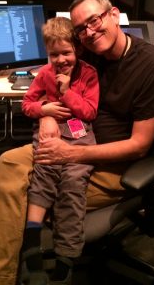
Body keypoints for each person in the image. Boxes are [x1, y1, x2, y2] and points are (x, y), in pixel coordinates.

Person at [0, 0, 154, 285]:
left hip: (113, 164)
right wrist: (46, 116)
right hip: (68, 138)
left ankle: (56, 264)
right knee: (7, 163)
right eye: (80, 28)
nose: (89, 33)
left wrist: (68, 155)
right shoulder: (87, 51)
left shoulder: (152, 67)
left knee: (26, 190)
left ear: (114, 15)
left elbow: (139, 145)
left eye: (93, 21)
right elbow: (51, 85)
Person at [21, 17, 99, 284]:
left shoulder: (88, 73)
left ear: (77, 50)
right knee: (43, 173)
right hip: (50, 132)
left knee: (73, 181)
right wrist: (44, 110)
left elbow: (89, 111)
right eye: (54, 54)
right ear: (47, 53)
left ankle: (66, 254)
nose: (61, 59)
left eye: (66, 52)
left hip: (80, 133)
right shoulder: (44, 74)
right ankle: (31, 243)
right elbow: (27, 105)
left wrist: (65, 93)